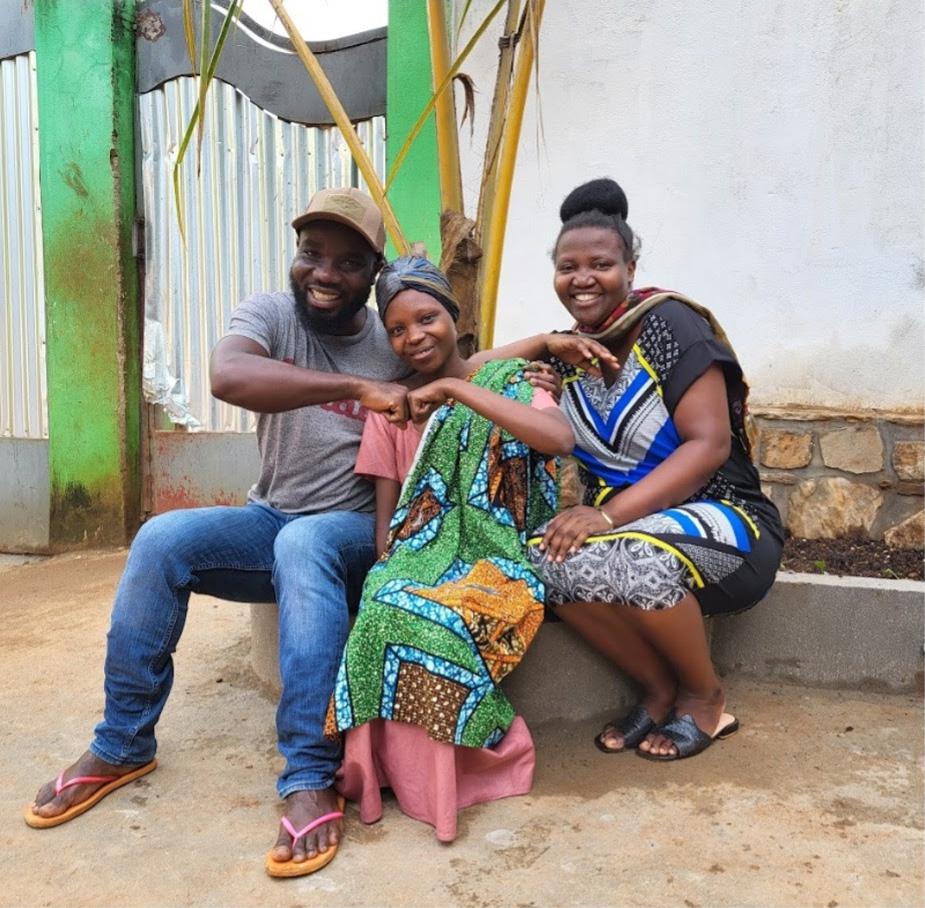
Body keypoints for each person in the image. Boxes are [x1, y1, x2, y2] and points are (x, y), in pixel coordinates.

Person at [24, 187, 416, 877]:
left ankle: (307, 774)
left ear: (374, 273)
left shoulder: (394, 341)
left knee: (304, 544)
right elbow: (227, 374)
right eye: (311, 254)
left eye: (347, 262)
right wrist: (358, 392)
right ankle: (122, 744)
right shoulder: (269, 314)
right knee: (162, 538)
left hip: (354, 533)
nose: (324, 273)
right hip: (270, 519)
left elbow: (463, 374)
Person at [503, 178, 784, 760]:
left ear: (630, 267)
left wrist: (605, 515)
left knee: (639, 558)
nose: (582, 279)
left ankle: (705, 700)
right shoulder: (570, 353)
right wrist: (542, 346)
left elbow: (707, 445)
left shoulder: (671, 324)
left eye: (600, 264)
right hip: (628, 534)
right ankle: (657, 691)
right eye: (567, 267)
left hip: (728, 524)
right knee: (539, 560)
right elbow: (470, 365)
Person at [327, 256, 574, 841]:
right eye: (397, 328)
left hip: (499, 556)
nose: (413, 337)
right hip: (422, 553)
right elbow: (389, 528)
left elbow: (558, 438)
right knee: (386, 602)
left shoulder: (513, 382)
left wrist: (456, 390)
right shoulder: (392, 409)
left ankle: (449, 781)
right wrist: (399, 563)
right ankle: (377, 774)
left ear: (454, 317)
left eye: (427, 318)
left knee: (439, 619)